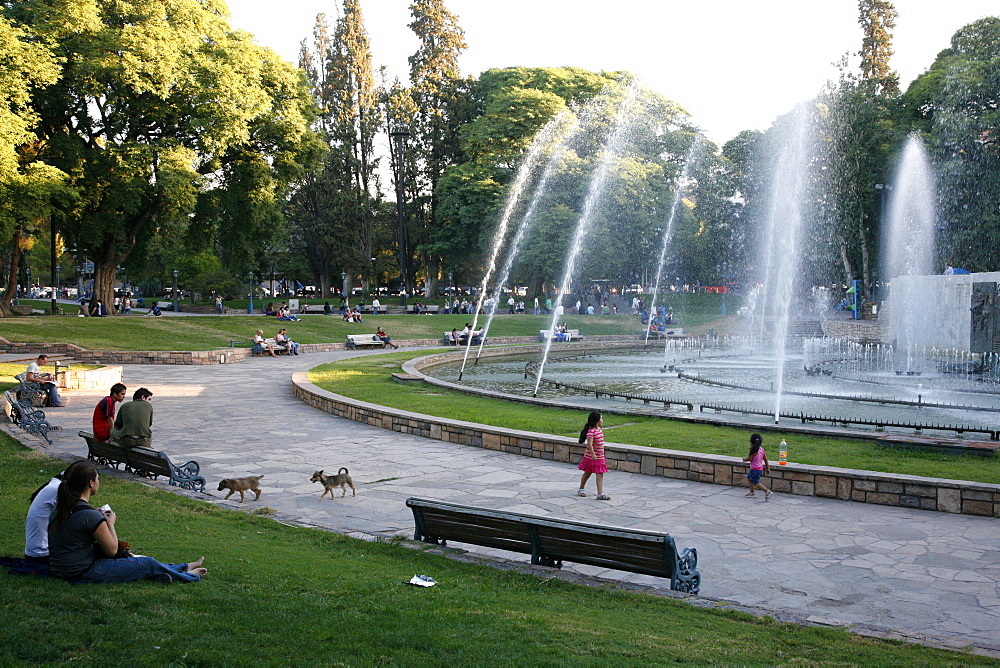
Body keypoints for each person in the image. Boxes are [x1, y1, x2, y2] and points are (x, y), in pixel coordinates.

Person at [47, 460, 206, 584]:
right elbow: (112, 551)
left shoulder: (61, 508)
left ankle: (180, 568)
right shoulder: (90, 516)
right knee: (147, 563)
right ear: (90, 483)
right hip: (83, 572)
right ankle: (188, 576)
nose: (98, 482)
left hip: (61, 569)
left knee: (140, 563)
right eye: (97, 478)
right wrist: (109, 523)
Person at [24, 461, 91, 564]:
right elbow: (77, 520)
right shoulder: (57, 489)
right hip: (42, 554)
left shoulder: (55, 486)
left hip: (37, 552)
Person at [577, 411, 609, 500]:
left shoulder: (599, 430)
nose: (602, 420)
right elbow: (589, 444)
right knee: (587, 473)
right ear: (596, 421)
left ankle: (600, 493)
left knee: (600, 474)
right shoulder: (591, 432)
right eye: (601, 418)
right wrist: (593, 454)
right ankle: (581, 489)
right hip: (591, 457)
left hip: (600, 457)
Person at [743, 433, 773, 500]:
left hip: (754, 469)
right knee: (749, 478)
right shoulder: (761, 449)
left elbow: (750, 458)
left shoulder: (753, 449)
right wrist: (768, 468)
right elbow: (765, 459)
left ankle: (767, 491)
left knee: (756, 482)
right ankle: (752, 492)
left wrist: (744, 459)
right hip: (760, 469)